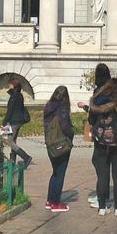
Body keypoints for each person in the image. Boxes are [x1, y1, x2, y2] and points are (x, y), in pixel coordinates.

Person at [80, 64, 117, 216]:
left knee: (102, 175)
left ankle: (102, 207)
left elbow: (91, 118)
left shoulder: (97, 94)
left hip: (101, 140)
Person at [43, 85, 74, 213]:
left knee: (55, 172)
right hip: (61, 143)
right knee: (60, 173)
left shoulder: (48, 107)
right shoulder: (63, 107)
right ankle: (56, 203)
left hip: (50, 144)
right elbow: (65, 125)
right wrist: (72, 133)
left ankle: (50, 200)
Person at [1, 77, 33, 168]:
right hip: (18, 121)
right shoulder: (19, 95)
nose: (8, 85)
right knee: (13, 140)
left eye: (10, 84)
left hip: (13, 122)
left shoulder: (14, 96)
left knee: (8, 140)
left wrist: (4, 123)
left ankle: (26, 157)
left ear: (13, 85)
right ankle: (12, 162)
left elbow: (10, 111)